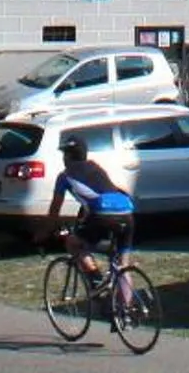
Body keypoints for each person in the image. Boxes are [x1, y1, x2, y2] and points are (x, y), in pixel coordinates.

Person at [45, 135, 136, 315]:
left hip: (103, 214)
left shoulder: (65, 176)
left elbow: (55, 208)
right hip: (127, 212)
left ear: (68, 157)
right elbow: (109, 191)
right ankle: (126, 312)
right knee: (122, 265)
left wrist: (47, 230)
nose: (63, 158)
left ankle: (95, 279)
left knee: (73, 242)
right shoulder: (96, 167)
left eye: (64, 155)